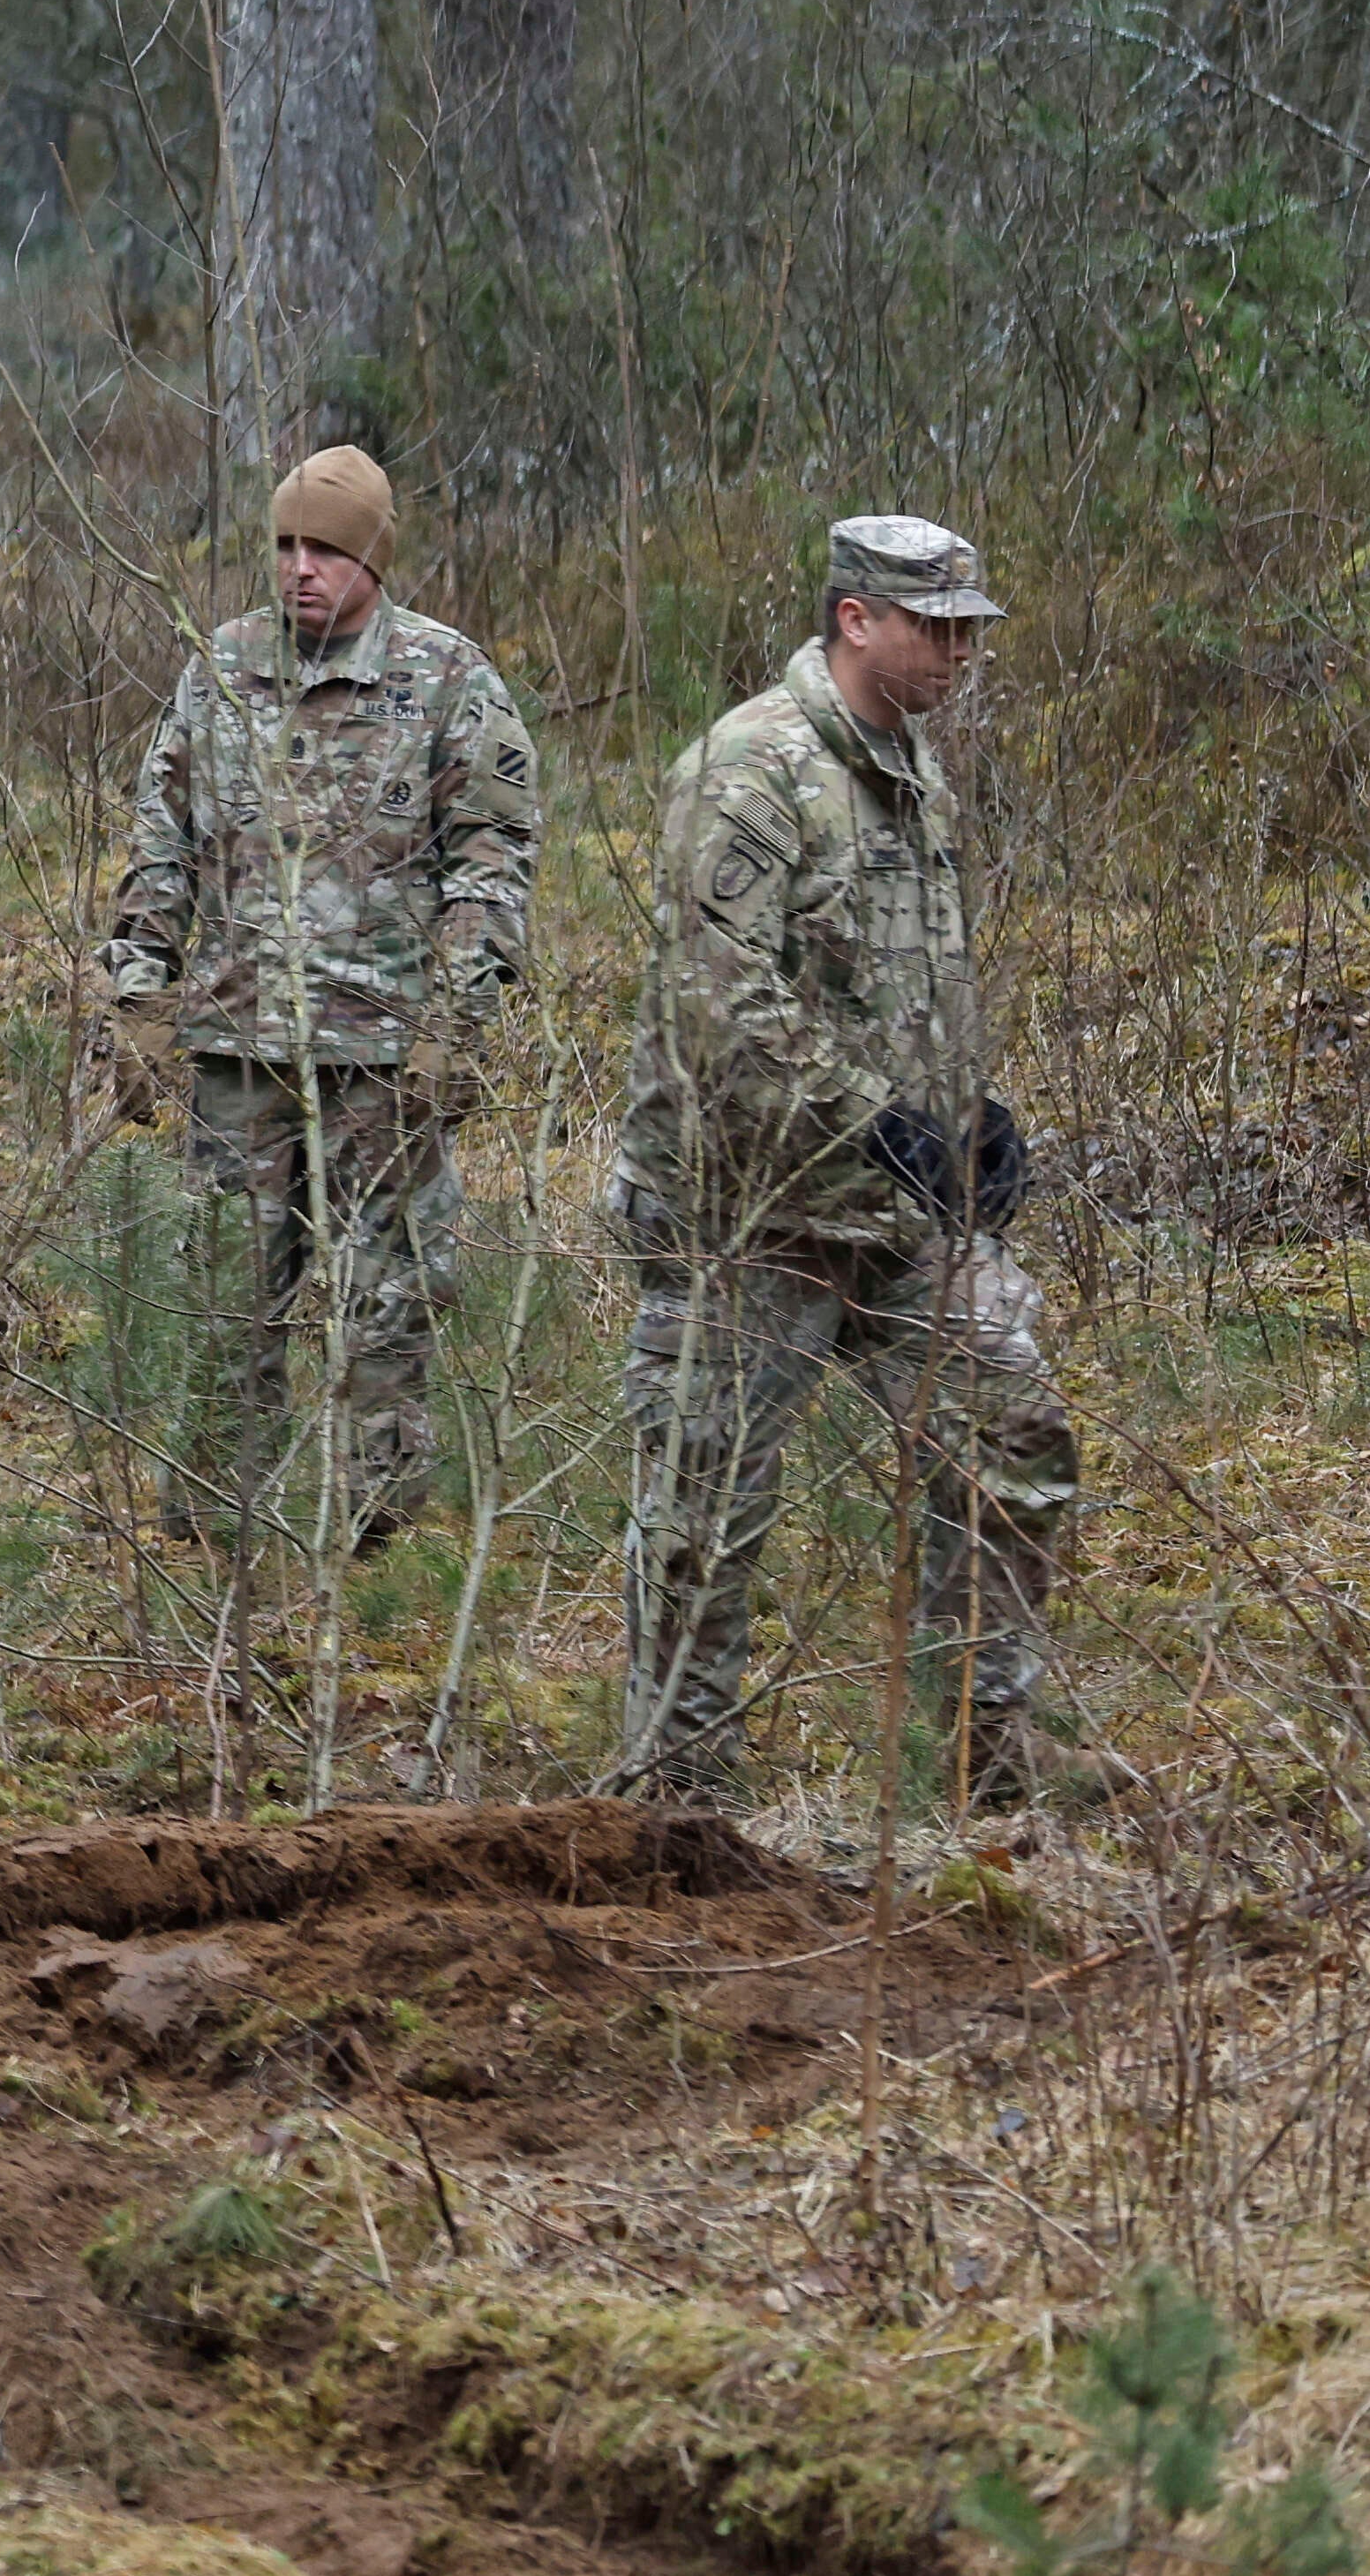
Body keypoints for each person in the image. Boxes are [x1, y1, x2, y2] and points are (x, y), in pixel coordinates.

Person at [611, 514, 1100, 1814]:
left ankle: (980, 1761)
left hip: (891, 1212)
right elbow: (721, 1010)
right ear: (854, 620)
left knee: (1015, 1432)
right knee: (703, 1521)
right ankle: (679, 1801)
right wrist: (885, 1117)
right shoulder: (751, 771)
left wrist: (973, 1109)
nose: (956, 654)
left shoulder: (910, 766)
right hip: (745, 1209)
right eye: (933, 629)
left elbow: (904, 979)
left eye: (968, 631)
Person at [100, 445, 539, 1557]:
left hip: (381, 1063)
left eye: (325, 550)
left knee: (383, 1310)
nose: (299, 569)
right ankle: (210, 1551)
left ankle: (375, 1550)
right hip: (235, 1055)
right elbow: (164, 841)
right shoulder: (222, 669)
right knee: (219, 1305)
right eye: (285, 546)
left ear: (372, 558)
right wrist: (140, 994)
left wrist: (456, 1024)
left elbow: (490, 865)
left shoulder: (447, 680)